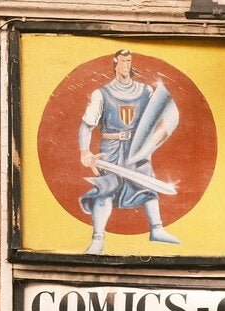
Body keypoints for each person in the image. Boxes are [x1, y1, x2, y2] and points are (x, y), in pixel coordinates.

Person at [78, 49, 183, 254]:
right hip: (111, 148)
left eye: (129, 61)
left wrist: (150, 146)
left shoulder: (146, 91)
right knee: (105, 189)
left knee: (147, 186)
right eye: (123, 61)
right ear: (115, 63)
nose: (127, 65)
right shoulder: (101, 94)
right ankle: (98, 239)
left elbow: (156, 119)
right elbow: (87, 125)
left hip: (136, 148)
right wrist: (85, 151)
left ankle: (157, 229)